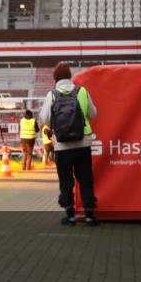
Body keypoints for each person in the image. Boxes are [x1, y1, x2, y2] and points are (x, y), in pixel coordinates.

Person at [38, 62, 99, 226]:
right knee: (85, 179)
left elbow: (44, 119)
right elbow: (93, 114)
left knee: (66, 180)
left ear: (55, 78)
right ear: (70, 76)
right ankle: (89, 215)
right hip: (83, 142)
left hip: (62, 145)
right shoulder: (82, 91)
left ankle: (70, 215)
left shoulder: (51, 95)